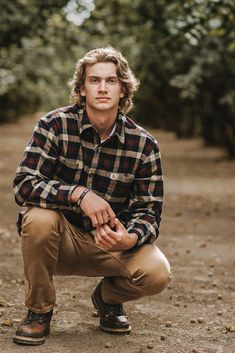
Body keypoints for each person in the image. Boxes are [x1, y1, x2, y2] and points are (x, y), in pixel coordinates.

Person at [13, 47, 171, 346]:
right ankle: (38, 312)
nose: (102, 88)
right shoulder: (54, 125)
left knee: (157, 272)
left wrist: (131, 238)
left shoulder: (144, 144)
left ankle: (108, 299)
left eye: (111, 81)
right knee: (38, 218)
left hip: (110, 245)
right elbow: (24, 184)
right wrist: (79, 194)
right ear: (81, 88)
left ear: (122, 88)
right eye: (94, 80)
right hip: (59, 242)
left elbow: (149, 211)